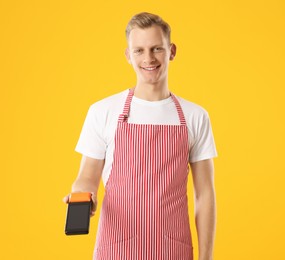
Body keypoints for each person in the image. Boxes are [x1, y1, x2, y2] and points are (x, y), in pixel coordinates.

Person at [63, 12, 217, 260]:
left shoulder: (194, 116)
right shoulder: (103, 111)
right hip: (116, 248)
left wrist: (206, 258)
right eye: (139, 50)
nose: (149, 58)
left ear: (172, 51)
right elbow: (87, 177)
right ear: (128, 55)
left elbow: (205, 194)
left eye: (157, 48)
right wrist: (84, 199)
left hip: (173, 249)